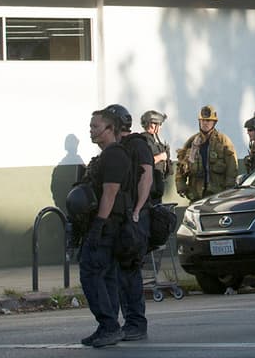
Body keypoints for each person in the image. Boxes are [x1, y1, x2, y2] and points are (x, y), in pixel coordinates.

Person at [77, 105, 135, 348]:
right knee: (106, 275)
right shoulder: (107, 155)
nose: (91, 131)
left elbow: (110, 192)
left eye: (95, 126)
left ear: (110, 129)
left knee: (91, 274)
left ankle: (109, 325)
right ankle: (108, 326)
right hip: (107, 225)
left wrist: (98, 225)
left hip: (107, 225)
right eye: (90, 126)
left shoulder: (113, 155)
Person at [114, 106, 154, 342]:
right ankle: (128, 321)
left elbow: (146, 176)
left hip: (135, 216)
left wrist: (137, 210)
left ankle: (136, 323)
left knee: (129, 270)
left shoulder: (137, 145)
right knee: (121, 273)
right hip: (124, 216)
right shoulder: (118, 147)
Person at [174, 105, 238, 202]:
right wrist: (181, 185)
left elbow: (232, 167)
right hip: (196, 195)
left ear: (214, 122)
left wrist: (229, 189)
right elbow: (181, 166)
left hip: (217, 195)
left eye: (208, 121)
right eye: (202, 120)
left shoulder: (223, 141)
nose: (205, 123)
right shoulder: (192, 142)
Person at [139, 111, 171, 203]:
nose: (160, 127)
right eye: (159, 124)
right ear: (152, 125)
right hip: (149, 192)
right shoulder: (145, 141)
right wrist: (161, 157)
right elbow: (144, 162)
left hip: (156, 189)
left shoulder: (154, 141)